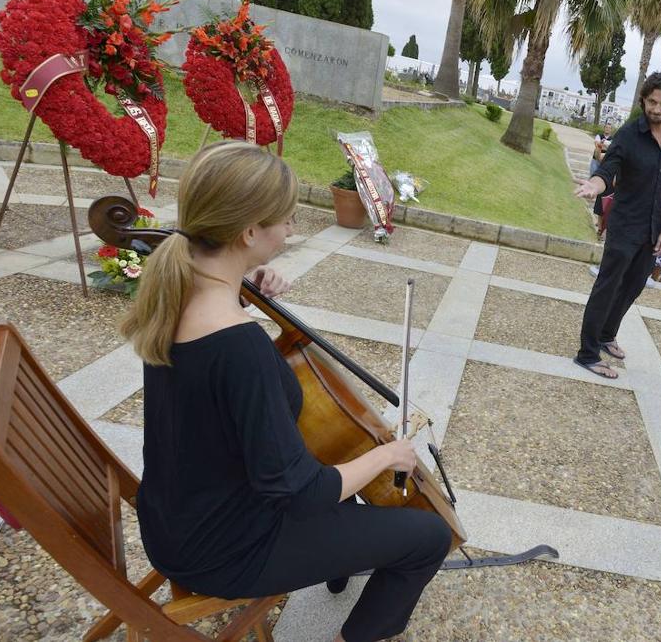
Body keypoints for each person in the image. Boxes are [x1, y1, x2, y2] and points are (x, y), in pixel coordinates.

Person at [125, 143, 450, 642]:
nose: (292, 230)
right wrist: (387, 455)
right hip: (227, 550)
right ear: (248, 232)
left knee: (332, 467)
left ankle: (338, 562)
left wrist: (240, 284)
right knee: (429, 537)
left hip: (176, 522)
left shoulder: (176, 293)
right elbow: (301, 494)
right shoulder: (241, 347)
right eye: (287, 219)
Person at [574, 72, 661, 379]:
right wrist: (596, 184)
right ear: (643, 100)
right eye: (652, 102)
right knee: (608, 287)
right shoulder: (628, 135)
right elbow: (608, 168)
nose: (657, 109)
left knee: (634, 286)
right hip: (625, 225)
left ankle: (607, 334)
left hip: (654, 230)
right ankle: (587, 354)